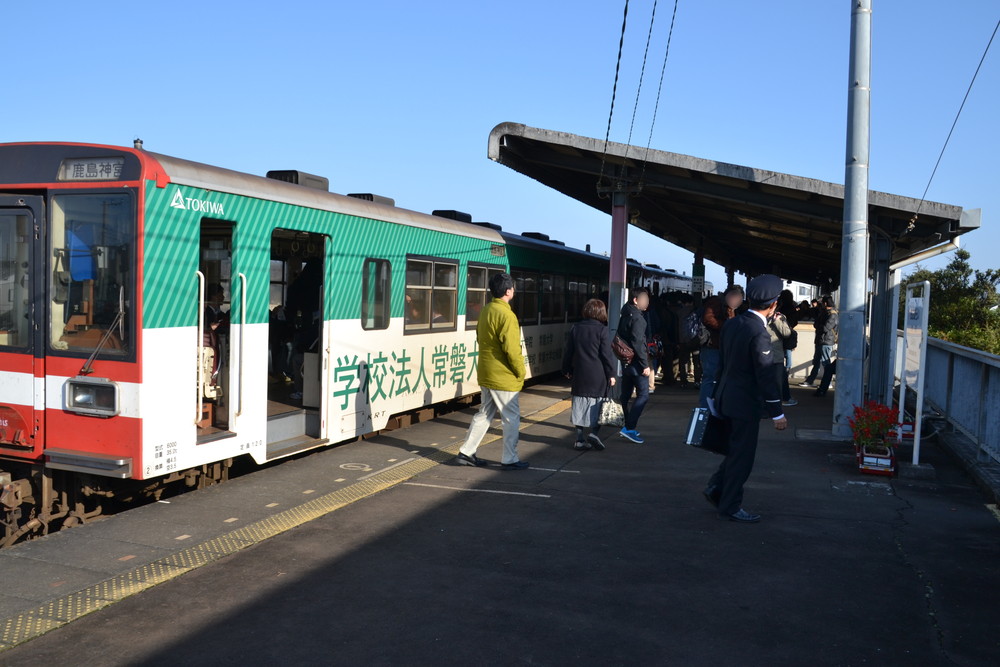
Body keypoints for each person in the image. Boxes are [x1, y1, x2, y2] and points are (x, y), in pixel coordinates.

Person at [704, 274, 788, 523]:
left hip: (726, 397)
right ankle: (730, 505)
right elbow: (765, 375)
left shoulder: (733, 324)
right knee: (742, 457)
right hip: (744, 404)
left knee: (734, 450)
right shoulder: (759, 332)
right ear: (774, 304)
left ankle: (716, 488)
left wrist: (715, 394)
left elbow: (722, 364)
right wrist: (777, 412)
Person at [456, 272, 529, 470]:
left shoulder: (486, 310)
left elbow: (480, 337)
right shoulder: (507, 315)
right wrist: (520, 372)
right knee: (511, 417)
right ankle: (509, 458)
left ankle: (466, 452)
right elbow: (512, 349)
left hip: (486, 372)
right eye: (513, 288)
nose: (513, 291)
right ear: (508, 291)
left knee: (484, 413)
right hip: (503, 376)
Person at [561, 298, 617, 451]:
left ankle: (579, 439)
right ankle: (594, 433)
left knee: (579, 406)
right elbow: (606, 355)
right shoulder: (602, 330)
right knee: (598, 405)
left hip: (580, 373)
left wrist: (566, 369)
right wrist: (611, 374)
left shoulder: (576, 328)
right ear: (601, 312)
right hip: (598, 375)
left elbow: (569, 351)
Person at [700, 285, 744, 408]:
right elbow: (708, 318)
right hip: (712, 345)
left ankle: (714, 404)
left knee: (717, 378)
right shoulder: (716, 302)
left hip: (721, 346)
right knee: (710, 377)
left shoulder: (730, 307)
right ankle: (705, 406)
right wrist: (727, 326)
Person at [617, 287, 651, 443]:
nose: (647, 302)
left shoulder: (625, 313)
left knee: (625, 394)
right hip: (637, 363)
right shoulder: (638, 318)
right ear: (635, 300)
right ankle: (629, 427)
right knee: (643, 395)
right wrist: (645, 364)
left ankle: (625, 424)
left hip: (626, 361)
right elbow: (638, 342)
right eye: (644, 299)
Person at [801, 296, 838, 388]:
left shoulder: (832, 314)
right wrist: (819, 325)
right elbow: (817, 324)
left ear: (825, 303)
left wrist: (819, 325)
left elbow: (825, 328)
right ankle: (810, 380)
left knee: (826, 362)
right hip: (820, 340)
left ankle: (827, 382)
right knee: (816, 361)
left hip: (826, 341)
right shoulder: (825, 312)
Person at [768, 308, 796, 407]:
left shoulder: (780, 317)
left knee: (780, 379)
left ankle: (781, 400)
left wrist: (777, 321)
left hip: (776, 354)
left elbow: (786, 333)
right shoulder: (757, 316)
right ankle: (779, 401)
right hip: (765, 354)